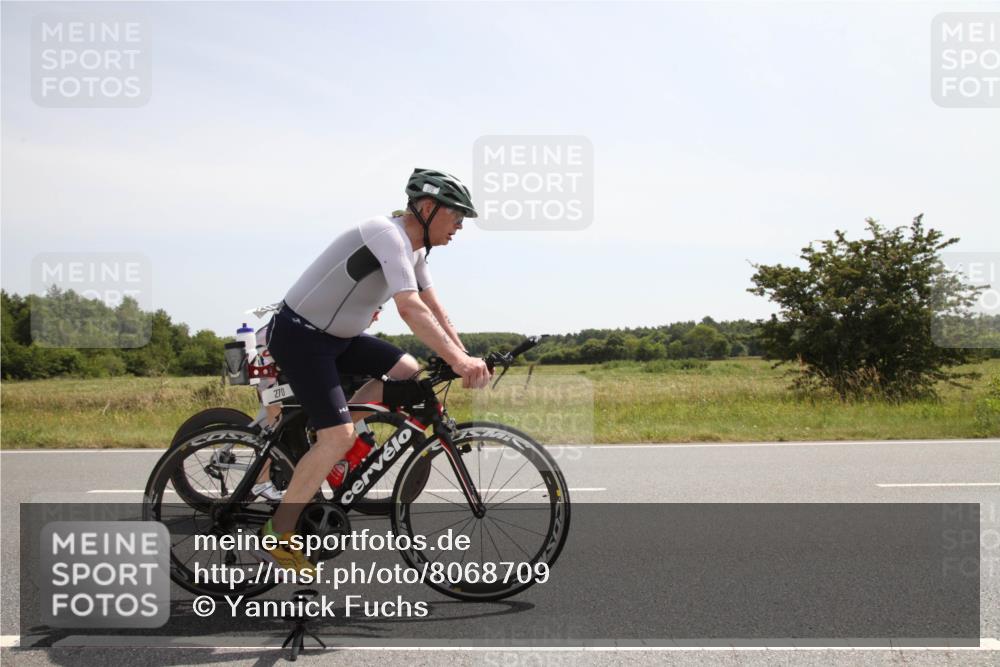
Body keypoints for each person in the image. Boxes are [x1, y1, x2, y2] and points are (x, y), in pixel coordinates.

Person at [260, 168, 492, 572]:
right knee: (339, 435)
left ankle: (329, 434)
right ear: (426, 207)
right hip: (300, 336)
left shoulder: (416, 251)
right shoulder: (386, 234)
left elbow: (436, 308)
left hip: (339, 339)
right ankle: (279, 532)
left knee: (406, 369)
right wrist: (458, 361)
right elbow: (409, 308)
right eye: (456, 216)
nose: (459, 226)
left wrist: (465, 356)